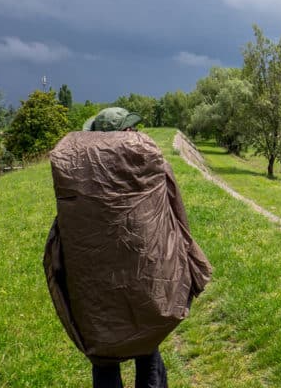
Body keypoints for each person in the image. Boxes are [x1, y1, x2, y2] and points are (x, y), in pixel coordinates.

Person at [44, 107, 212, 388]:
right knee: (146, 339)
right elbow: (174, 211)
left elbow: (66, 225)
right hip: (144, 273)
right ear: (125, 132)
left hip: (93, 282)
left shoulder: (73, 169)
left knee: (104, 353)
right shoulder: (147, 160)